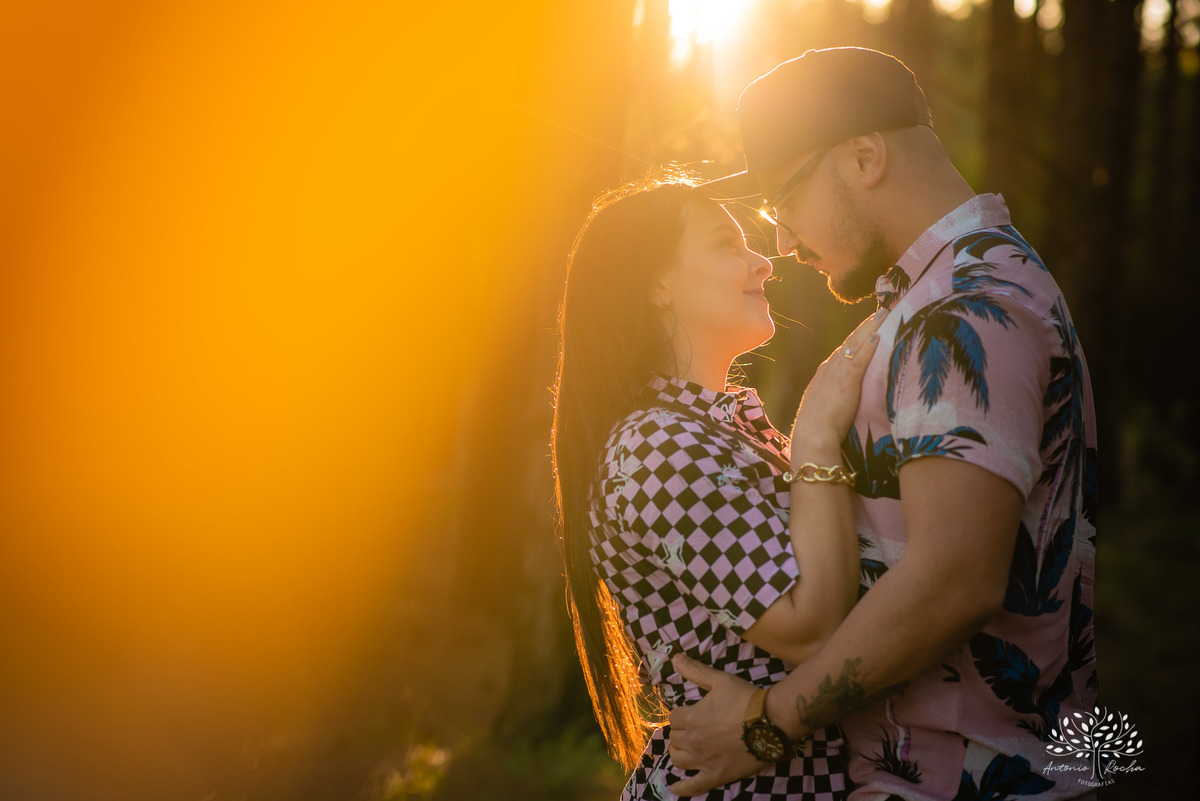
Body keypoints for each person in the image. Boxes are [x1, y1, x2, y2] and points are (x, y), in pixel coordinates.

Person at [666, 47, 1100, 801]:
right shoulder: (949, 292)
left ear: (865, 157)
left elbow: (953, 577)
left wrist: (768, 722)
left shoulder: (963, 310)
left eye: (781, 201)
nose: (781, 244)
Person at [551, 171, 888, 800]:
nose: (762, 262)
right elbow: (809, 628)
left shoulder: (707, 432)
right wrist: (815, 436)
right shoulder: (656, 448)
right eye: (724, 244)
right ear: (657, 284)